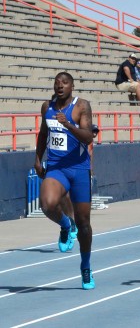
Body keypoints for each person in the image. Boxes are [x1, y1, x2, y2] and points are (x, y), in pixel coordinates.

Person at [34, 71, 95, 289]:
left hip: (78, 169)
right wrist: (38, 158)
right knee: (47, 204)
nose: (60, 86)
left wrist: (68, 124)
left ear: (72, 86)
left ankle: (86, 266)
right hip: (57, 167)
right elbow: (43, 134)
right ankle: (65, 224)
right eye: (57, 83)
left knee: (85, 224)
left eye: (65, 83)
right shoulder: (46, 107)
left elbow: (89, 137)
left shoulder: (81, 106)